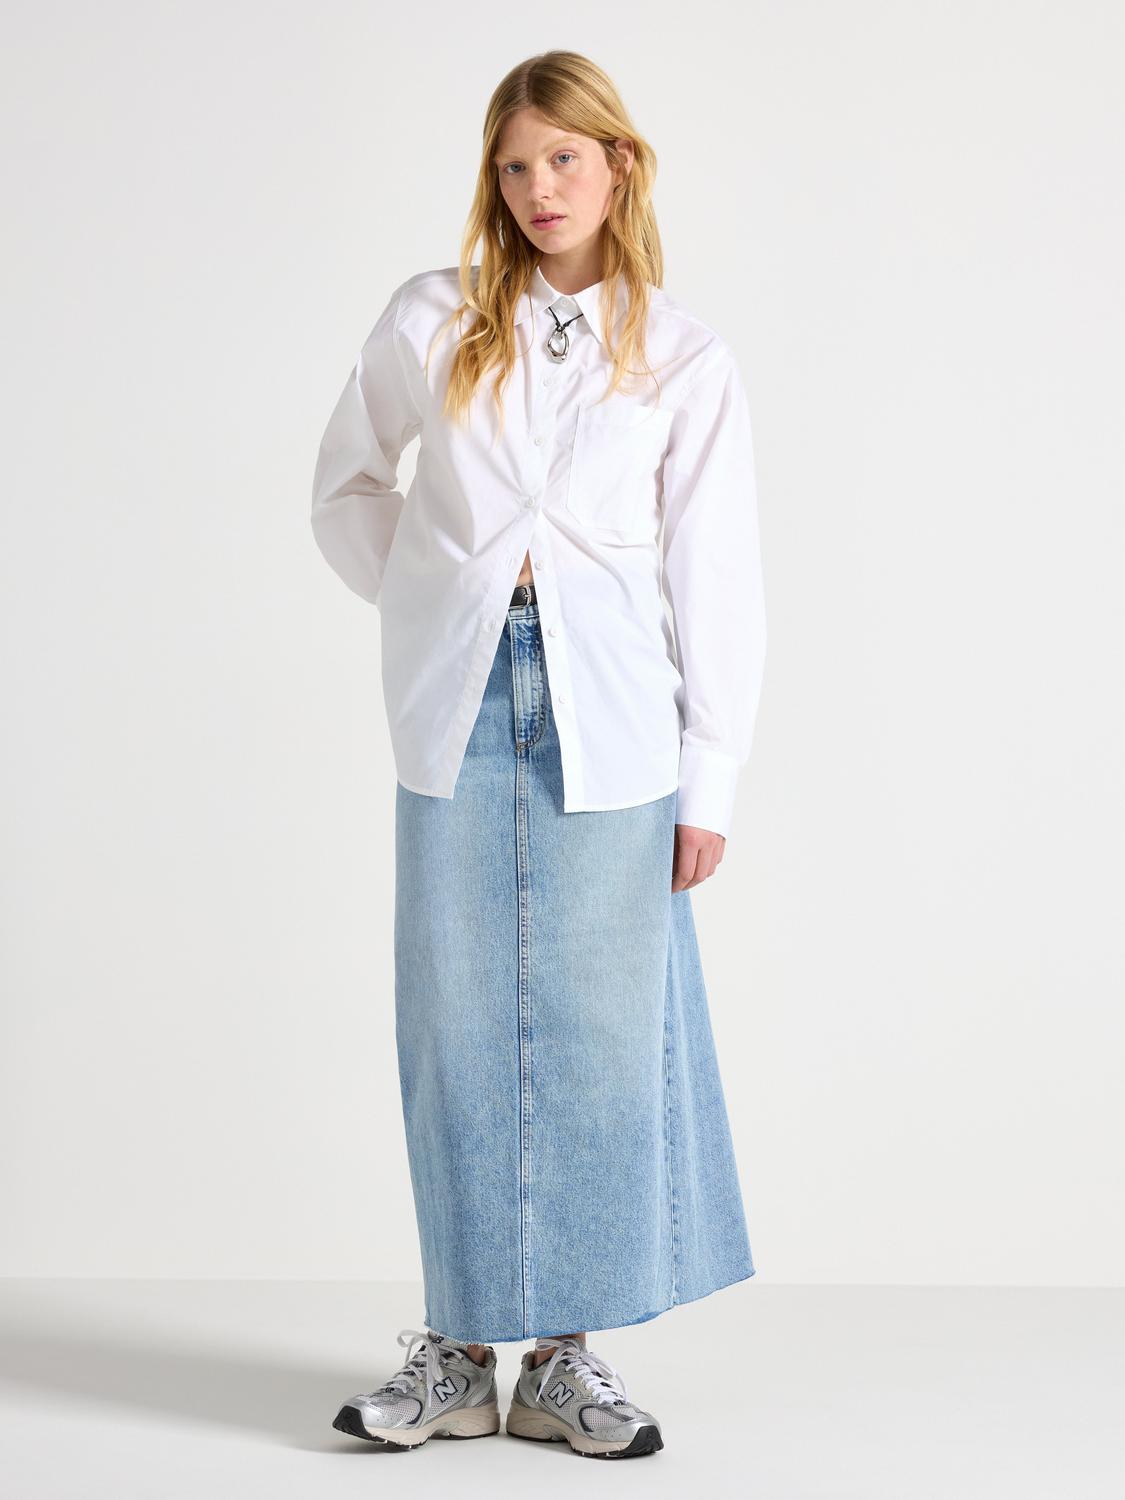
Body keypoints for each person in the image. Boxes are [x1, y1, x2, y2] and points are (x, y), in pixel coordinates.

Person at [311, 49, 767, 1461]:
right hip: (458, 703)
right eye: (514, 165)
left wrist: (711, 778)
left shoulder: (680, 354)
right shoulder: (433, 318)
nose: (537, 188)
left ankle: (565, 1357)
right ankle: (456, 1356)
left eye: (563, 158)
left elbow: (716, 578)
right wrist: (436, 599)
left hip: (614, 722)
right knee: (453, 1028)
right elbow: (346, 488)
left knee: (600, 1037)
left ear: (617, 164)